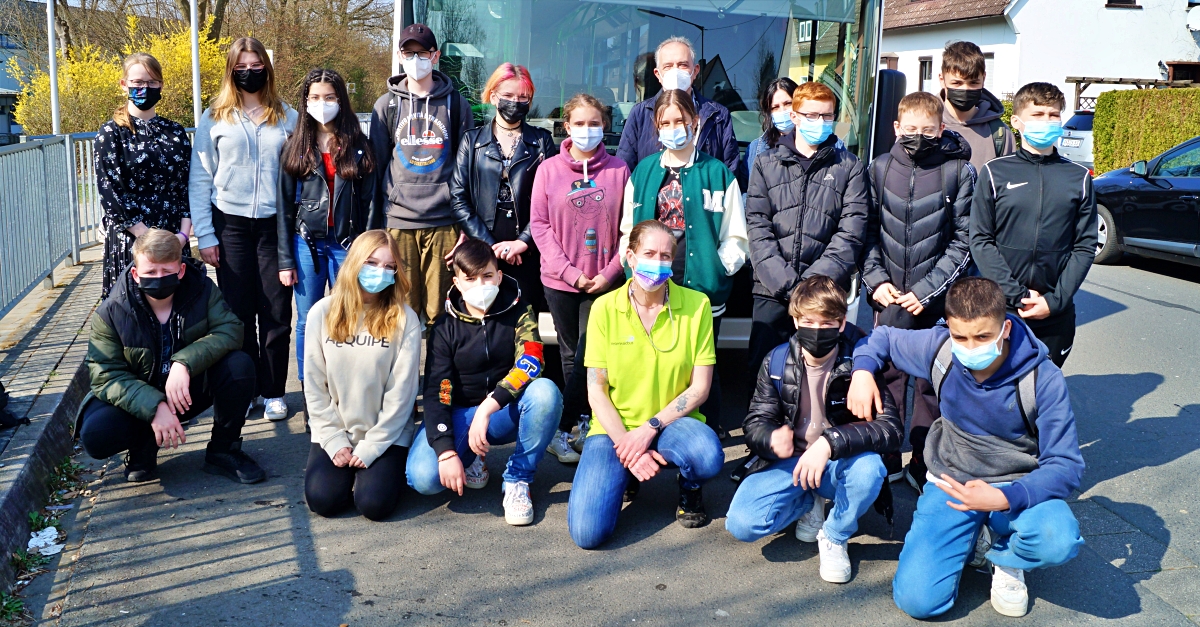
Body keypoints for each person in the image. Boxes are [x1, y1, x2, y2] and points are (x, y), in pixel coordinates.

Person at [847, 277, 1084, 619]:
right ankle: (975, 537)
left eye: (983, 337)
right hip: (952, 481)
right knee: (918, 602)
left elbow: (1065, 465)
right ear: (949, 328)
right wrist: (862, 371)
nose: (971, 348)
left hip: (1016, 484)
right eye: (961, 337)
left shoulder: (1042, 378)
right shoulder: (941, 347)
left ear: (1005, 328)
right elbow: (882, 336)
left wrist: (1004, 498)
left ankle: (1005, 557)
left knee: (1057, 539)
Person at [725, 276, 900, 584]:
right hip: (793, 459)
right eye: (808, 321)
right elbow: (755, 420)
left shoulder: (861, 362)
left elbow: (890, 429)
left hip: (838, 460)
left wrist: (830, 443)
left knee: (870, 469)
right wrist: (768, 438)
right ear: (794, 320)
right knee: (742, 524)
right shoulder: (776, 360)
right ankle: (809, 501)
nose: (817, 331)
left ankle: (835, 534)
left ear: (842, 322)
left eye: (827, 322)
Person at [568, 220, 724, 549]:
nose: (658, 262)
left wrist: (650, 428)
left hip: (672, 424)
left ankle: (689, 487)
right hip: (615, 429)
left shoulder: (697, 307)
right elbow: (596, 390)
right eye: (649, 253)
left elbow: (699, 389)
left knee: (707, 456)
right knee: (587, 534)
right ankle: (628, 471)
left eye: (666, 256)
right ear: (630, 257)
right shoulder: (604, 308)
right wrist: (629, 447)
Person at [77, 229, 265, 484]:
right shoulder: (112, 311)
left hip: (188, 391)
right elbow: (105, 375)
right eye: (151, 272)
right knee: (97, 433)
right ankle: (142, 448)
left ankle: (224, 449)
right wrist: (154, 406)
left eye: (167, 272)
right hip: (141, 397)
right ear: (135, 273)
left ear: (181, 270)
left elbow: (231, 330)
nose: (159, 278)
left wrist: (184, 362)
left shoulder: (202, 289)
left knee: (239, 366)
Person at [861, 91, 975, 493]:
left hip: (937, 296)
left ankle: (923, 459)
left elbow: (964, 242)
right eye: (910, 130)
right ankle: (887, 451)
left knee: (932, 382)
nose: (918, 137)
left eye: (928, 131)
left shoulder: (958, 172)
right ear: (896, 128)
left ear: (941, 129)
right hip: (889, 294)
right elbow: (865, 234)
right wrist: (877, 283)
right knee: (887, 376)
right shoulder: (877, 169)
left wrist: (927, 291)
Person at [406, 239, 562, 526]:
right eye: (471, 279)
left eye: (487, 276)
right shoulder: (443, 327)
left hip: (501, 412)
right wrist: (446, 451)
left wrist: (488, 407)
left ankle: (517, 478)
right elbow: (437, 391)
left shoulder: (519, 311)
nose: (481, 285)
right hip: (460, 415)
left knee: (546, 393)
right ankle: (471, 456)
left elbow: (532, 360)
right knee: (423, 478)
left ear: (499, 276)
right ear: (457, 282)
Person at [620, 89, 747, 439]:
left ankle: (708, 431)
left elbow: (736, 235)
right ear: (656, 127)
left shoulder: (718, 173)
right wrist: (632, 270)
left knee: (703, 365)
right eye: (666, 122)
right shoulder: (643, 172)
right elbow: (627, 230)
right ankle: (650, 431)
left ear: (695, 122)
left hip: (704, 286)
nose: (674, 127)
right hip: (651, 282)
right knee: (654, 360)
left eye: (681, 121)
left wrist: (718, 270)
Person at [189, 37, 299, 422]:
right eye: (241, 66)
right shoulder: (213, 117)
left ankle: (273, 392)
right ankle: (247, 387)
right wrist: (204, 233)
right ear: (231, 71)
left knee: (275, 310)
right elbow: (201, 178)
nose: (249, 72)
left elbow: (300, 176)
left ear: (266, 70)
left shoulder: (287, 116)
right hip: (229, 225)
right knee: (237, 313)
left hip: (274, 225)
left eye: (256, 66)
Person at [744, 81, 869, 406]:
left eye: (826, 116)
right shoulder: (765, 163)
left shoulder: (849, 167)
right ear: (795, 116)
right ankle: (761, 445)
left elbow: (851, 232)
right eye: (811, 115)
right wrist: (787, 284)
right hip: (772, 289)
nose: (820, 122)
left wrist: (811, 287)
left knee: (822, 373)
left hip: (826, 291)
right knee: (764, 370)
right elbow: (757, 228)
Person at [529, 93, 630, 464]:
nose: (587, 131)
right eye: (580, 124)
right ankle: (574, 427)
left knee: (593, 356)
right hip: (560, 281)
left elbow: (628, 229)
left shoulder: (619, 170)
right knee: (571, 353)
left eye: (595, 123)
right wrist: (569, 272)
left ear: (604, 127)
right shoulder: (548, 170)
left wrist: (609, 273)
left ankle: (578, 420)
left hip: (604, 280)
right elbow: (539, 226)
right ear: (566, 127)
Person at [970, 82, 1096, 369]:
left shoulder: (1078, 177)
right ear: (1017, 121)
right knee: (995, 391)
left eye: (1053, 115)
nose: (1047, 121)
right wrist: (1018, 295)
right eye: (1038, 114)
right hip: (1001, 308)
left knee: (1042, 392)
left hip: (1055, 312)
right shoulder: (995, 172)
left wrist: (1055, 301)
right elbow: (980, 240)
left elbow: (1085, 246)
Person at [303, 230, 421, 521]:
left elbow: (402, 394)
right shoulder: (322, 313)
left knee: (374, 505)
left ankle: (385, 474)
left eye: (389, 267)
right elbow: (315, 386)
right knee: (323, 500)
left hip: (385, 434)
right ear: (354, 262)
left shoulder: (405, 318)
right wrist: (332, 438)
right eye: (371, 262)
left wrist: (372, 447)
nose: (380, 272)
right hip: (336, 428)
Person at [278, 68, 379, 397]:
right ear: (306, 101)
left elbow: (370, 202)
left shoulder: (358, 145)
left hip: (348, 245)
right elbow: (283, 206)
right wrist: (284, 260)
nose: (322, 104)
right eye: (315, 98)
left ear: (341, 100)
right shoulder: (295, 146)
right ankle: (311, 390)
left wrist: (369, 252)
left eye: (330, 98)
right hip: (306, 243)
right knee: (308, 320)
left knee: (348, 316)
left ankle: (344, 386)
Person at [369, 23, 473, 329]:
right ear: (400, 56)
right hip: (398, 222)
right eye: (409, 53)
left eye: (423, 52)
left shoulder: (455, 103)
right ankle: (404, 376)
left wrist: (465, 224)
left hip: (443, 223)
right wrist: (375, 226)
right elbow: (376, 167)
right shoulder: (385, 105)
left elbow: (466, 170)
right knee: (400, 311)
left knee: (440, 311)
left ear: (436, 55)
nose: (416, 59)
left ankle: (438, 378)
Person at [450, 63, 556, 313]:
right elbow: (458, 197)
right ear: (494, 96)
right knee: (483, 315)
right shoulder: (472, 141)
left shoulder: (542, 141)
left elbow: (552, 200)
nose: (515, 102)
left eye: (522, 97)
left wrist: (524, 241)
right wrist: (488, 246)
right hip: (482, 247)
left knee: (526, 317)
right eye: (508, 96)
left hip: (528, 251)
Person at [95, 52, 193, 300]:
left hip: (173, 235)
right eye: (138, 82)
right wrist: (145, 237)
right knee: (130, 309)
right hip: (131, 236)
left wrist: (182, 235)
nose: (144, 88)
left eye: (151, 82)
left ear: (160, 85)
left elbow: (187, 184)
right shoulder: (111, 133)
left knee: (181, 308)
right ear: (124, 84)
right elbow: (110, 191)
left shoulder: (175, 132)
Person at [615, 36, 739, 176]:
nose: (675, 71)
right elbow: (625, 170)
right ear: (658, 74)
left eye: (683, 65)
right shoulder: (640, 113)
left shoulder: (718, 115)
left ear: (696, 71)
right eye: (668, 66)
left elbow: (730, 172)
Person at [938, 41, 1015, 173]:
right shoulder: (923, 126)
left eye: (973, 83)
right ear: (942, 79)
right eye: (957, 83)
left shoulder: (999, 133)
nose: (965, 89)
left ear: (984, 79)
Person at [741, 77, 798, 179]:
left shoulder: (818, 145)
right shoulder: (754, 149)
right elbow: (746, 190)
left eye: (788, 103)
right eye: (775, 107)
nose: (783, 110)